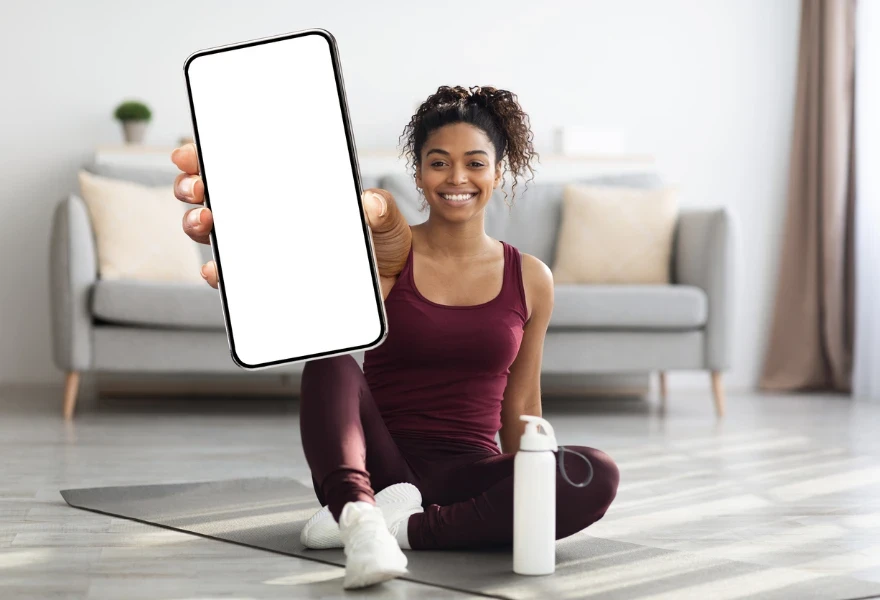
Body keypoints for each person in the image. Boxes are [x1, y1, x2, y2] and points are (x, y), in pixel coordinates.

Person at [171, 85, 619, 589]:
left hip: (470, 474)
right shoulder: (385, 252)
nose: (457, 178)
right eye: (439, 162)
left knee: (594, 471)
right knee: (332, 358)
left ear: (499, 170)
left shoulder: (531, 277)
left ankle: (403, 531)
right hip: (382, 468)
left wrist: (538, 475)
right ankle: (360, 517)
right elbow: (313, 302)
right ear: (419, 172)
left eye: (475, 163)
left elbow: (523, 402)